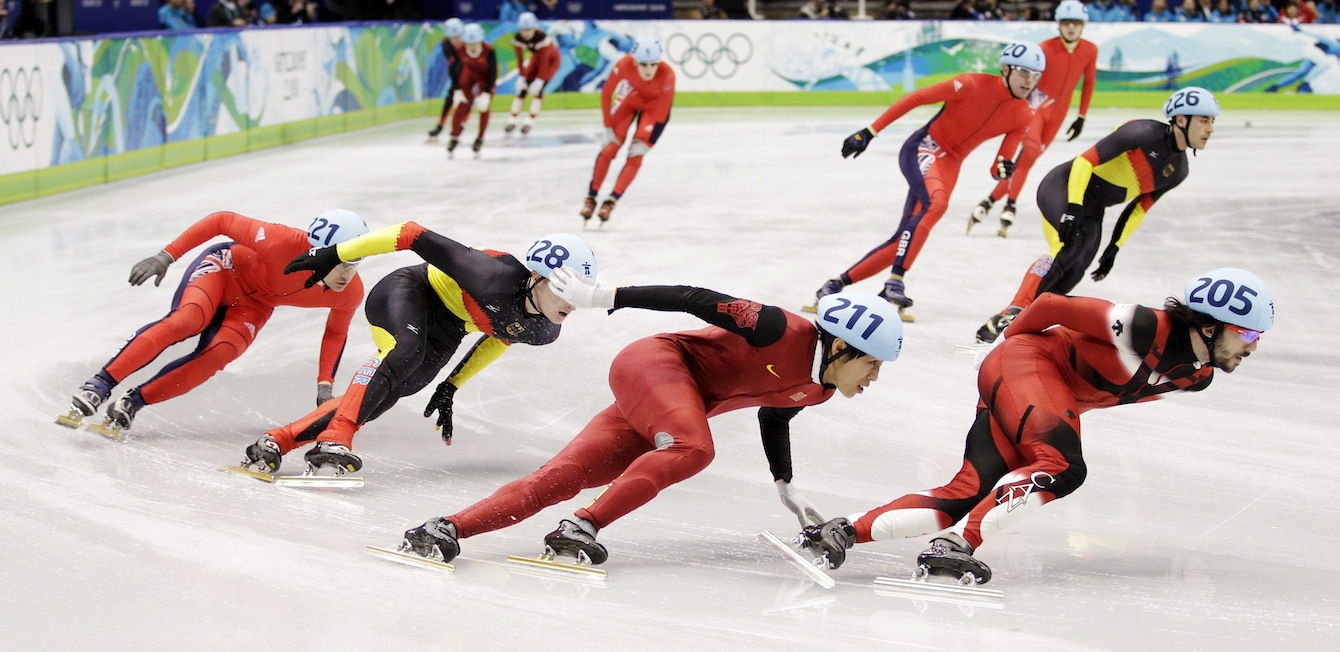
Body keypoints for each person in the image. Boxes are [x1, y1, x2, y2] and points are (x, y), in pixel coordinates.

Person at [796, 268, 1275, 585]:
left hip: (1040, 395)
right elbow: (1048, 306)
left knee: (968, 490)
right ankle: (957, 544)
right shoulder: (1142, 325)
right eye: (1249, 334)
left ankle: (841, 533)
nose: (1253, 347)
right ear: (1211, 325)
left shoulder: (1197, 376)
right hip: (1026, 365)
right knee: (1063, 465)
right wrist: (1013, 356)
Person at [395, 283, 905, 567]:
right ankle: (583, 526)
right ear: (841, 346)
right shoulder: (778, 327)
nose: (875, 379)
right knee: (695, 448)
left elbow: (775, 416)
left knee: (563, 476)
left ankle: (444, 529)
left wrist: (785, 486)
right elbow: (692, 298)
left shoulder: (818, 389)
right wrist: (605, 296)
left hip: (669, 411)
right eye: (874, 365)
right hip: (655, 366)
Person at [240, 225, 598, 475]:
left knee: (396, 389)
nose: (574, 302)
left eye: (580, 291)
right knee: (405, 351)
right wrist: (336, 253)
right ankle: (336, 437)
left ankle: (278, 440)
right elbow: (410, 233)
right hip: (409, 291)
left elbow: (500, 336)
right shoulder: (487, 275)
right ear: (536, 277)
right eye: (565, 288)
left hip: (449, 326)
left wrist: (451, 385)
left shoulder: (545, 329)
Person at [59, 210, 369, 435]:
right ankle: (100, 385)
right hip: (224, 270)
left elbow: (335, 332)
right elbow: (221, 220)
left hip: (256, 304)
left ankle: (133, 401)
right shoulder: (279, 241)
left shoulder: (349, 293)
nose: (346, 275)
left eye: (355, 264)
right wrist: (166, 256)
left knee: (221, 352)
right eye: (340, 264)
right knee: (187, 320)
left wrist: (324, 384)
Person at [811, 41, 1045, 321]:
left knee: (901, 242)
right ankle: (895, 281)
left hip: (950, 165)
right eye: (1023, 72)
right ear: (1005, 69)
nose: (1029, 80)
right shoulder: (969, 84)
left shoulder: (1023, 115)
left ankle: (835, 285)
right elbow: (916, 98)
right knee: (937, 203)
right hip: (924, 148)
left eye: (1036, 75)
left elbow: (998, 166)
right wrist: (871, 131)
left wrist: (1003, 169)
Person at [973, 87, 1219, 344]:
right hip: (1065, 187)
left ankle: (1010, 320)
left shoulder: (1179, 170)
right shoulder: (1142, 132)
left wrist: (1114, 247)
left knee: (1077, 267)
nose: (1210, 129)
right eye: (1204, 121)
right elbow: (1084, 162)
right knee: (1069, 246)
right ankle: (1016, 309)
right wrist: (1072, 208)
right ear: (1182, 119)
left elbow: (1138, 209)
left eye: (1212, 122)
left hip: (1093, 206)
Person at [970, 1, 1097, 238]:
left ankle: (989, 201)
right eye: (1066, 23)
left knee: (1027, 161)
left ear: (1083, 26)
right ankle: (1011, 205)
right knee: (1028, 152)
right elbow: (1024, 79)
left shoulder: (1090, 50)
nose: (1071, 27)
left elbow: (1088, 82)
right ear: (1058, 24)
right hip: (1036, 109)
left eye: (1076, 23)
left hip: (1057, 116)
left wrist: (1081, 115)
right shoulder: (1044, 49)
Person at [578, 38, 676, 225]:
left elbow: (663, 114)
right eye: (643, 65)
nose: (648, 70)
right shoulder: (623, 64)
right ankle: (591, 197)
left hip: (653, 107)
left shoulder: (668, 74)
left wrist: (649, 144)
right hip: (629, 100)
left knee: (636, 154)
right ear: (634, 61)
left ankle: (611, 201)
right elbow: (606, 94)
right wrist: (607, 127)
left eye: (653, 64)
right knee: (610, 148)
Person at [443, 23, 498, 159]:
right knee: (461, 104)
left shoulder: (489, 50)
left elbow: (493, 73)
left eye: (474, 44)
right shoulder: (460, 49)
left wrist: (486, 92)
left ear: (481, 41)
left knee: (484, 107)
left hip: (485, 78)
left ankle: (480, 138)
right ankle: (454, 136)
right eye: (468, 44)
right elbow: (453, 70)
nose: (471, 47)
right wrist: (457, 89)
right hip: (469, 75)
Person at [506, 12, 560, 136]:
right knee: (522, 89)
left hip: (551, 61)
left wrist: (541, 80)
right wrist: (522, 76)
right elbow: (519, 59)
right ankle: (512, 119)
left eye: (529, 30)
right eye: (523, 30)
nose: (525, 33)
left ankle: (530, 121)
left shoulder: (543, 39)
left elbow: (545, 62)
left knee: (537, 90)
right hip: (536, 58)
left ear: (535, 28)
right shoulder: (518, 38)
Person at [427, 18, 465, 143]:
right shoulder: (446, 44)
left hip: (472, 71)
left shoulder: (469, 41)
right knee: (451, 96)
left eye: (458, 37)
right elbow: (454, 66)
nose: (456, 41)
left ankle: (461, 124)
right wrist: (457, 85)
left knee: (469, 98)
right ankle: (440, 125)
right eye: (452, 38)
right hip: (456, 70)